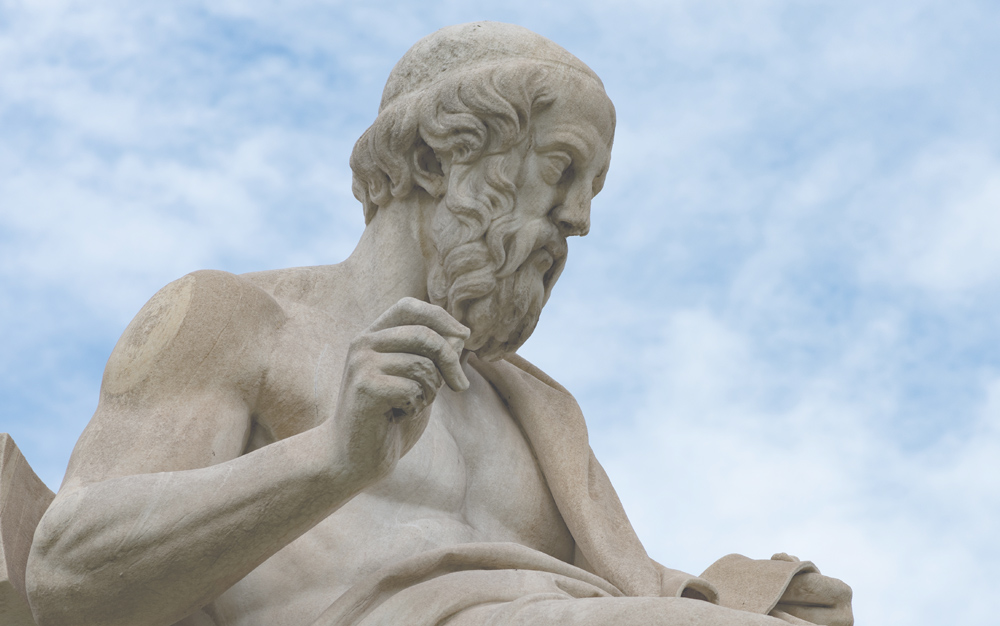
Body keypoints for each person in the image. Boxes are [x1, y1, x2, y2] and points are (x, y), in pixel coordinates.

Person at [25, 22, 853, 626]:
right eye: (562, 170)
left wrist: (733, 591)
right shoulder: (238, 321)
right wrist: (332, 458)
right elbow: (66, 573)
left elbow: (619, 590)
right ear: (432, 160)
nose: (579, 219)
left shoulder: (536, 411)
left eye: (593, 190)